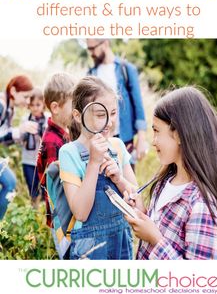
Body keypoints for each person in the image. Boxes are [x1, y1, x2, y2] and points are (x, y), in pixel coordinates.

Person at [125, 86, 217, 260]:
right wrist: (140, 212)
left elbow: (198, 282)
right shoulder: (166, 179)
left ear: (178, 134)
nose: (153, 141)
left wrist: (155, 240)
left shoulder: (201, 205)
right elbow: (165, 229)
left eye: (156, 131)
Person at [59, 76, 137, 260]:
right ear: (78, 116)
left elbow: (138, 205)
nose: (109, 122)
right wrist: (93, 163)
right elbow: (81, 212)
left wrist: (119, 179)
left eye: (114, 113)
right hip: (90, 251)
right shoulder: (69, 153)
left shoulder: (117, 146)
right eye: (101, 115)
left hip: (122, 244)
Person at [87, 39, 147, 168]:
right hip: (100, 138)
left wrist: (141, 138)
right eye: (89, 49)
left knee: (127, 180)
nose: (91, 53)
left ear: (105, 43)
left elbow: (138, 104)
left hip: (125, 137)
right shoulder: (91, 74)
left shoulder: (126, 69)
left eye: (93, 48)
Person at [37, 72, 75, 257]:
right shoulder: (53, 142)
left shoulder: (64, 133)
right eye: (72, 104)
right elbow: (56, 187)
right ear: (55, 107)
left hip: (68, 213)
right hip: (62, 218)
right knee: (68, 257)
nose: (76, 110)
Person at [0, 75, 37, 220]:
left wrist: (21, 136)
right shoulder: (1, 104)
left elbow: (4, 139)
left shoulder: (10, 109)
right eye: (25, 96)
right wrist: (19, 130)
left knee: (10, 182)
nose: (27, 101)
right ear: (14, 91)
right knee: (10, 182)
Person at [21, 87, 49, 208]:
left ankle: (45, 216)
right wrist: (26, 133)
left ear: (43, 104)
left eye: (38, 104)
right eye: (32, 105)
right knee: (32, 190)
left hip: (44, 161)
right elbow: (20, 139)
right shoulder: (25, 120)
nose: (35, 108)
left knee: (46, 191)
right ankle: (34, 212)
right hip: (28, 161)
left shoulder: (48, 119)